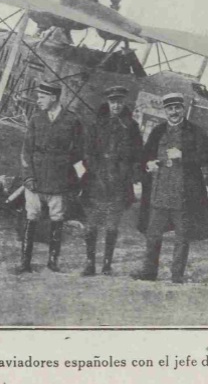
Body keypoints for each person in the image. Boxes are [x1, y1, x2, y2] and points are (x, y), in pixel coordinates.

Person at [132, 93, 208, 284]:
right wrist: (148, 165)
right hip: (159, 191)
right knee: (153, 234)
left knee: (182, 237)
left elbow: (205, 157)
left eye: (177, 108)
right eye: (170, 108)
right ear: (165, 110)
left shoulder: (196, 131)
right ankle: (149, 272)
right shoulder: (158, 131)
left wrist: (183, 156)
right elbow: (146, 156)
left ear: (183, 109)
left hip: (183, 193)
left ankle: (177, 275)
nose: (174, 112)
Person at [18, 81, 84, 274]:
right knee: (31, 217)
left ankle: (53, 261)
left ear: (53, 97)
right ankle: (25, 261)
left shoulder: (72, 121)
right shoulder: (36, 120)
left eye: (42, 97)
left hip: (58, 180)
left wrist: (63, 165)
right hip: (36, 178)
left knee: (57, 218)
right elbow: (26, 151)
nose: (38, 101)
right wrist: (28, 176)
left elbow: (80, 150)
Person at [81, 86, 142, 277]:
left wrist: (128, 175)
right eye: (113, 101)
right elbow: (88, 152)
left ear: (124, 103)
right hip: (96, 181)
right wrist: (95, 171)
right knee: (91, 224)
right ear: (108, 102)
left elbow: (137, 154)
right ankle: (90, 263)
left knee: (112, 225)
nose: (116, 105)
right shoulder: (96, 125)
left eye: (120, 102)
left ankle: (107, 264)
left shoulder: (131, 127)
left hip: (119, 182)